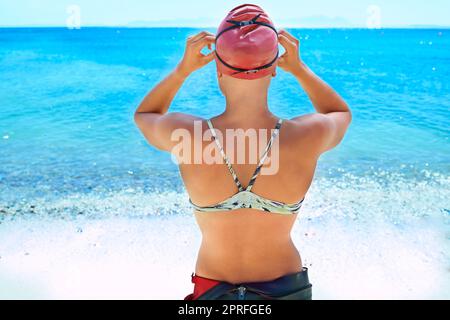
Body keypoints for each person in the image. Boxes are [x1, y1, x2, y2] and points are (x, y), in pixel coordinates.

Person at [134, 4, 351, 300]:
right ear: (275, 69)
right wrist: (299, 69)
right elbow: (339, 112)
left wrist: (181, 70)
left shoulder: (189, 135)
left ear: (218, 69)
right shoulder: (306, 135)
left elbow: (145, 115)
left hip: (213, 290)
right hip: (286, 289)